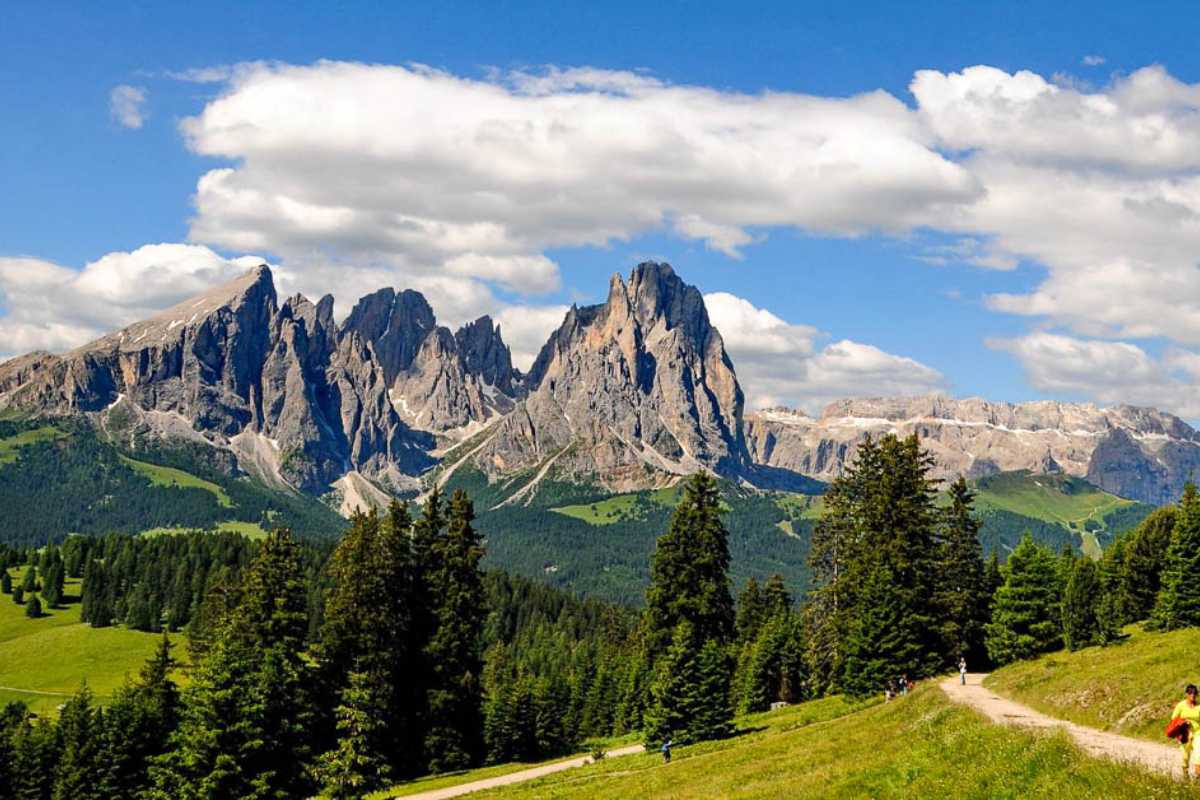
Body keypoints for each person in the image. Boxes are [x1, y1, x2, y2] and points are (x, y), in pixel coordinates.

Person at [1171, 684, 1200, 778]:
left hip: (1197, 733)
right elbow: (1173, 718)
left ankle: (1198, 777)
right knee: (1185, 756)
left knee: (1199, 754)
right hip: (1185, 733)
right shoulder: (1181, 705)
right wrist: (1183, 721)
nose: (1192, 695)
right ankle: (1185, 776)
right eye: (1190, 693)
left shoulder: (1199, 706)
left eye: (1194, 693)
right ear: (1186, 694)